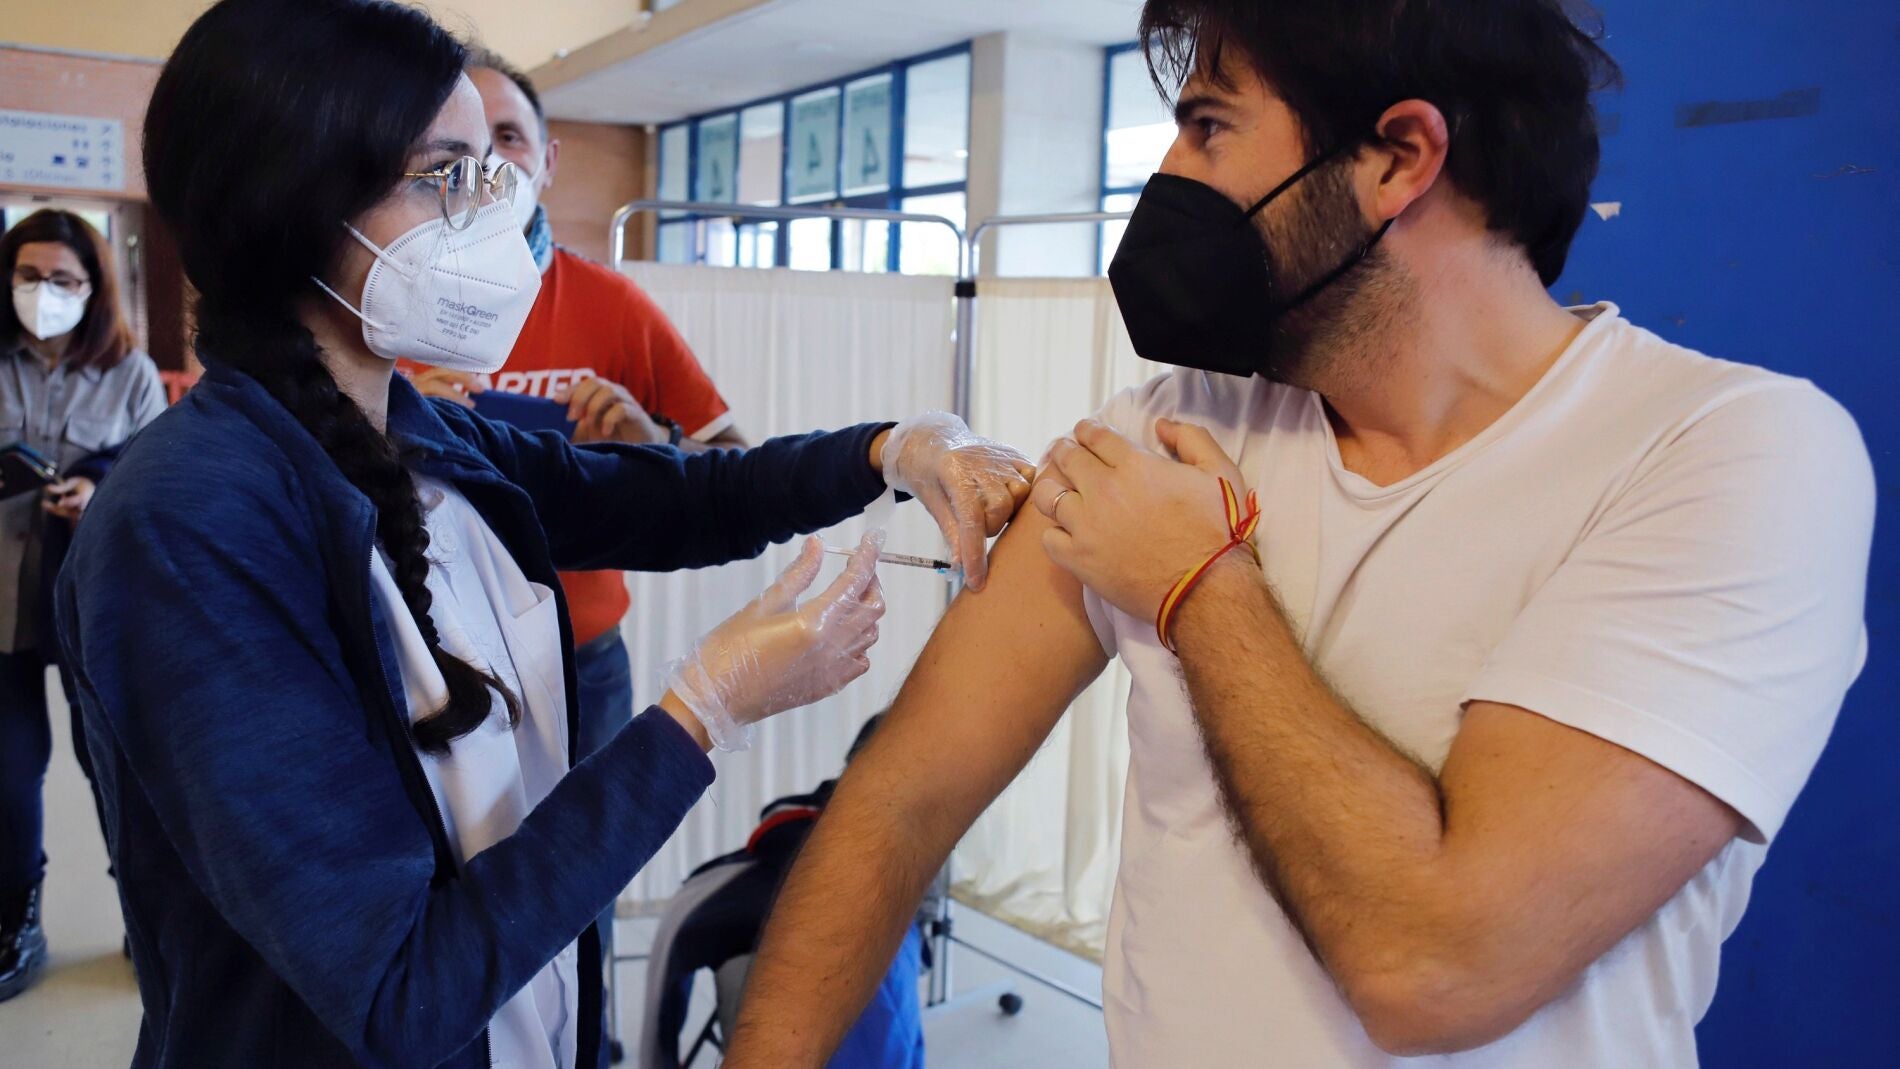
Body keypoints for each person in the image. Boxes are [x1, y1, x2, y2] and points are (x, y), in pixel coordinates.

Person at [725, 2, 1876, 1067]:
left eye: (1208, 128)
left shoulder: (1727, 453)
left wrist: (1200, 588)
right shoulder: (1171, 426)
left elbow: (1432, 967)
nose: (1167, 179)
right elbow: (899, 798)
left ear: (1398, 157)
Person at [53, 2, 1032, 1067]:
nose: (496, 211)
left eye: (494, 167)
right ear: (295, 202)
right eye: (446, 175)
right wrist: (705, 713)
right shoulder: (187, 525)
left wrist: (894, 448)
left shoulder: (418, 434)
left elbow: (682, 496)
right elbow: (398, 993)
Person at [0, 209, 166, 1002]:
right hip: (2, 604)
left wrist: (99, 487)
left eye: (63, 279)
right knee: (6, 774)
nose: (45, 293)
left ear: (94, 287)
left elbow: (159, 473)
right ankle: (14, 917)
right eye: (29, 275)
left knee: (114, 768)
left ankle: (149, 914)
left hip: (94, 600)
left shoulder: (130, 372)